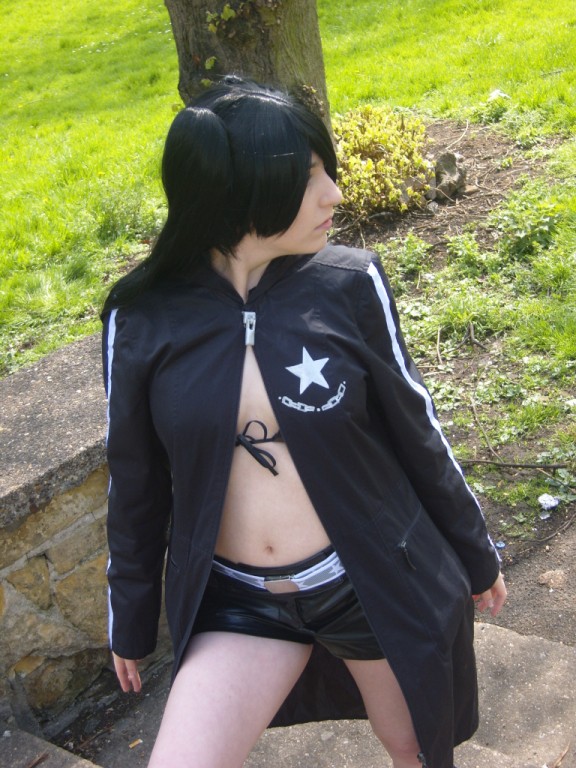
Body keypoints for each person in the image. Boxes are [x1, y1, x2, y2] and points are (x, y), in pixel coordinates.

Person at [101, 76, 506, 768]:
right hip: (239, 600)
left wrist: (476, 553)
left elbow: (417, 430)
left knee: (414, 747)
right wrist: (131, 619)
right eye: (309, 175)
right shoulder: (141, 318)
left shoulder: (348, 284)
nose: (334, 195)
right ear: (240, 192)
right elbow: (133, 481)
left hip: (366, 581)